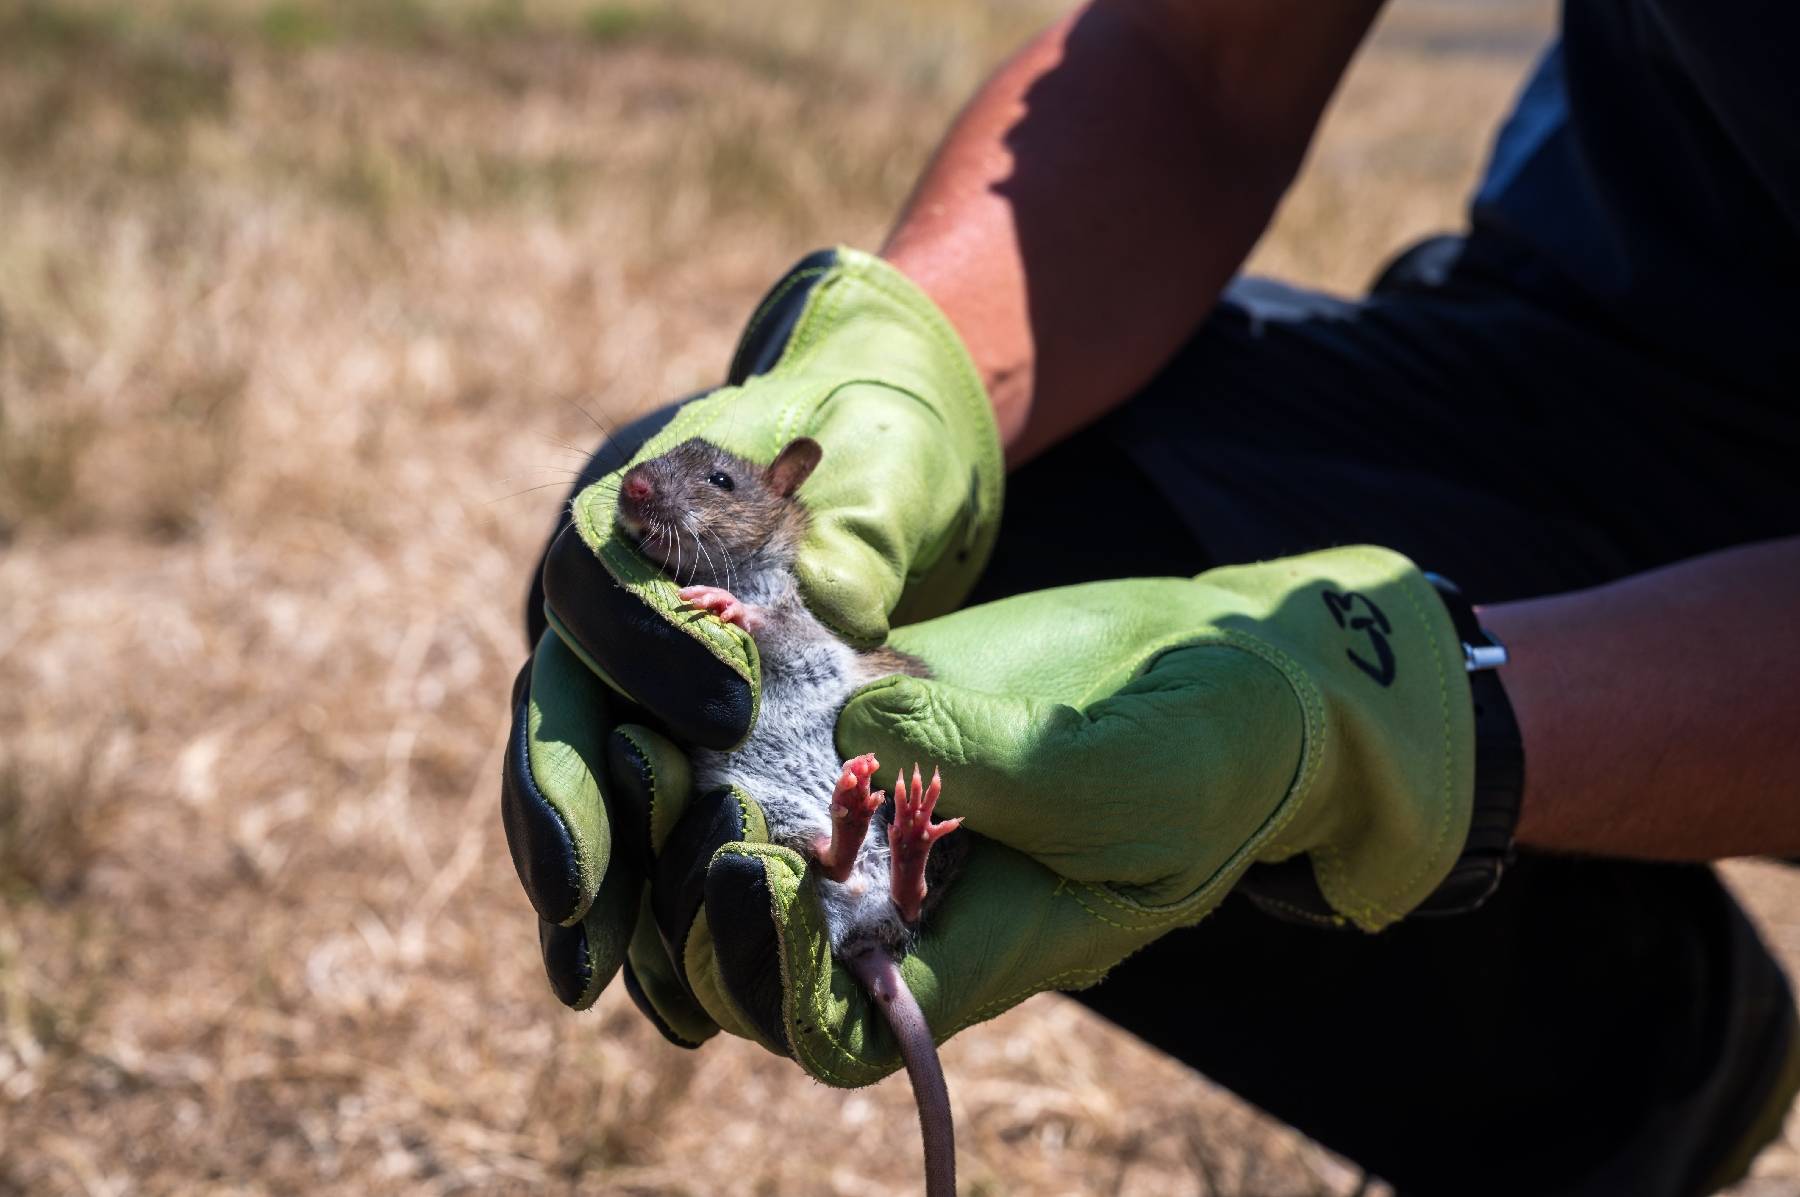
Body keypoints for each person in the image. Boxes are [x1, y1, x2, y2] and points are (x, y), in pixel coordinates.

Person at [500, 2, 1800, 1192]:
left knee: (1223, 733)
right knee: (962, 553)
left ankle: (1592, 1063)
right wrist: (908, 370)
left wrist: (1390, 721)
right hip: (1577, 352)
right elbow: (1199, 65)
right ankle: (1636, 1052)